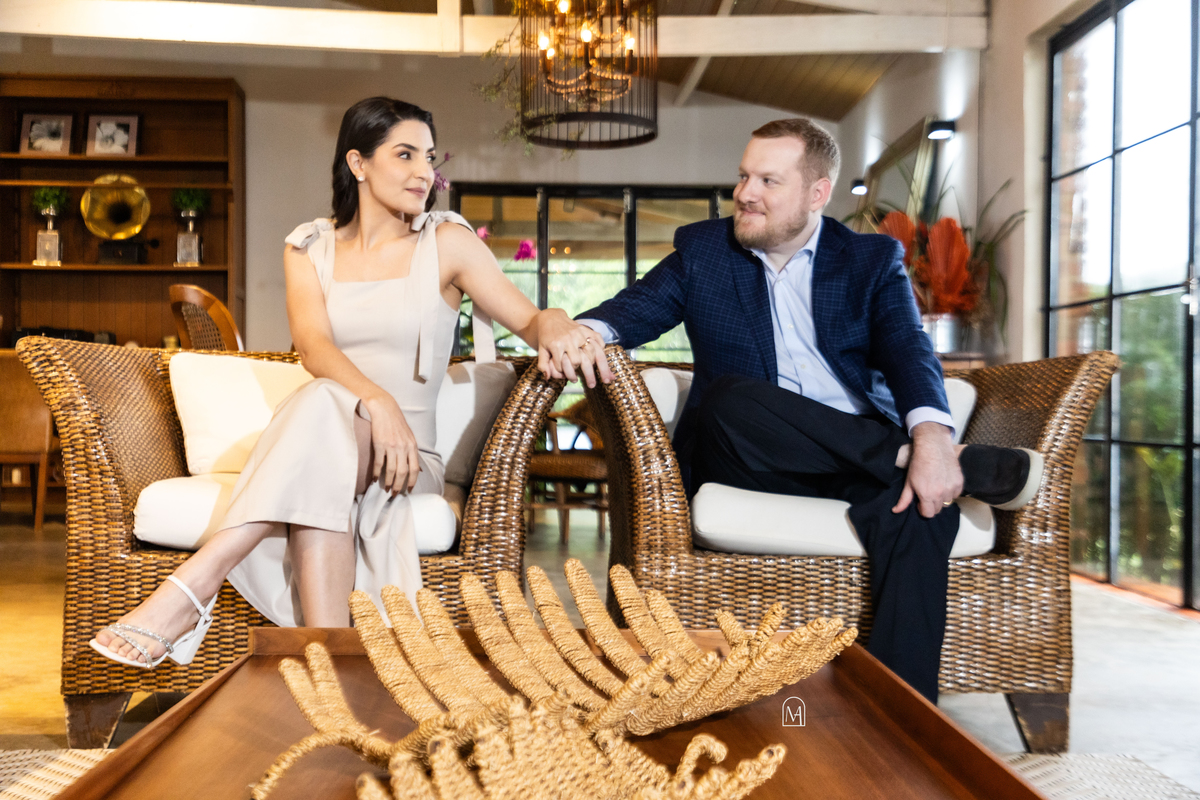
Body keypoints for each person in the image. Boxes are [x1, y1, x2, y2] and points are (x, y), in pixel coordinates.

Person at [91, 97, 609, 669]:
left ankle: (193, 587)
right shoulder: (309, 249)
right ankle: (331, 666)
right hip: (327, 439)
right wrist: (377, 400)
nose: (424, 172)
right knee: (324, 420)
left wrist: (556, 322)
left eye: (429, 157)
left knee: (320, 409)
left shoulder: (446, 244)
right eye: (405, 154)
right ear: (357, 163)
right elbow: (313, 347)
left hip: (405, 458)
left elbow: (530, 319)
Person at [542, 118, 1043, 702]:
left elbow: (908, 349)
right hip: (746, 453)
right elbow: (630, 311)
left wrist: (932, 436)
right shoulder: (706, 251)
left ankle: (899, 719)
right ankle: (914, 457)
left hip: (848, 456)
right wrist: (574, 331)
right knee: (729, 399)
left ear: (817, 193)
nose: (745, 193)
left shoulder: (868, 260)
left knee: (921, 510)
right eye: (743, 177)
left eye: (768, 181)